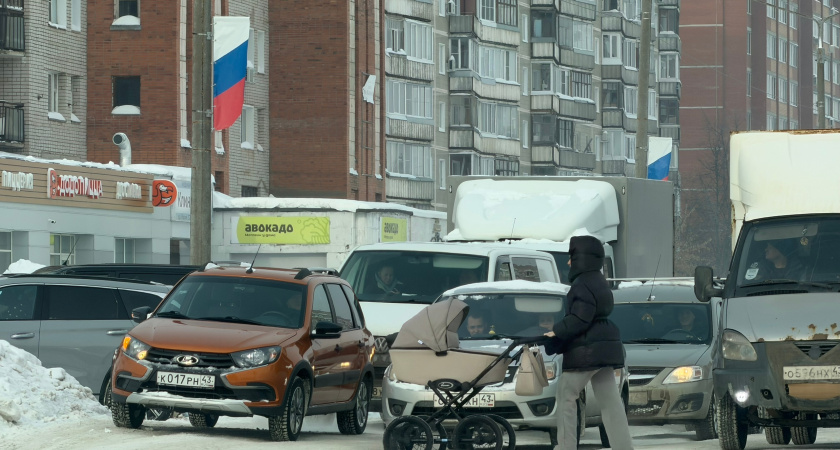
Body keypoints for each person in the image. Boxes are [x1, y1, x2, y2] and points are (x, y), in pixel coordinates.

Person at [544, 235, 633, 450]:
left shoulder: (581, 284)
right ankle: (624, 446)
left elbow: (580, 318)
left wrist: (555, 331)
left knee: (566, 395)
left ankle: (565, 446)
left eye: (571, 257)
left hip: (585, 351)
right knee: (611, 401)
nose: (568, 263)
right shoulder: (600, 281)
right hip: (604, 350)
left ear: (581, 258)